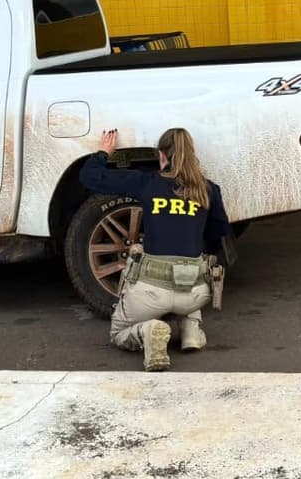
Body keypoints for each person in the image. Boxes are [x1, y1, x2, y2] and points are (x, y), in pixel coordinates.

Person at [79, 127, 232, 372]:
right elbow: (218, 234)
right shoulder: (209, 190)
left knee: (118, 332)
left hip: (150, 294)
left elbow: (90, 176)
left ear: (162, 155)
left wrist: (103, 153)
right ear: (192, 154)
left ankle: (147, 330)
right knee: (195, 261)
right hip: (195, 294)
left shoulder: (146, 182)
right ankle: (191, 329)